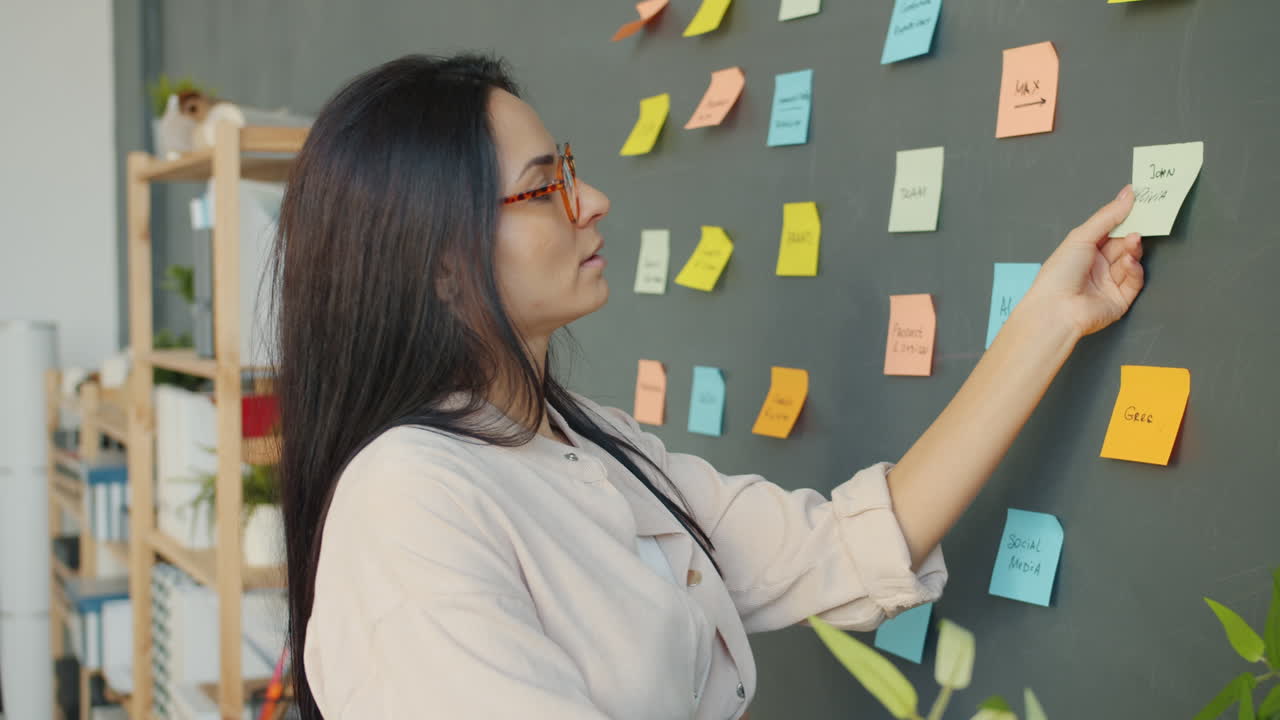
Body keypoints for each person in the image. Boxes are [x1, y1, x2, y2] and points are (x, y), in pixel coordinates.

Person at [272, 54, 1145, 720]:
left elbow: (841, 548)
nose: (595, 200)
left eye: (568, 170)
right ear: (440, 268)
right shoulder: (409, 499)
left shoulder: (590, 443)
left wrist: (1049, 320)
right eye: (545, 189)